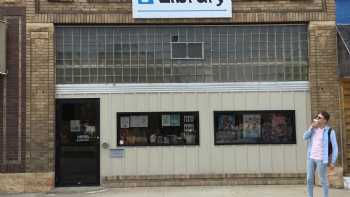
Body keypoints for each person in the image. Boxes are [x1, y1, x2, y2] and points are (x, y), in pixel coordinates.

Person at [303, 111, 338, 197]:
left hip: (321, 159)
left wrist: (333, 161)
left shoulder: (330, 131)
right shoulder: (313, 129)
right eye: (317, 117)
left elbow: (335, 147)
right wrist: (311, 127)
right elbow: (304, 137)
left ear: (325, 120)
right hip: (311, 157)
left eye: (320, 118)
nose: (317, 119)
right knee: (309, 179)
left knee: (323, 180)